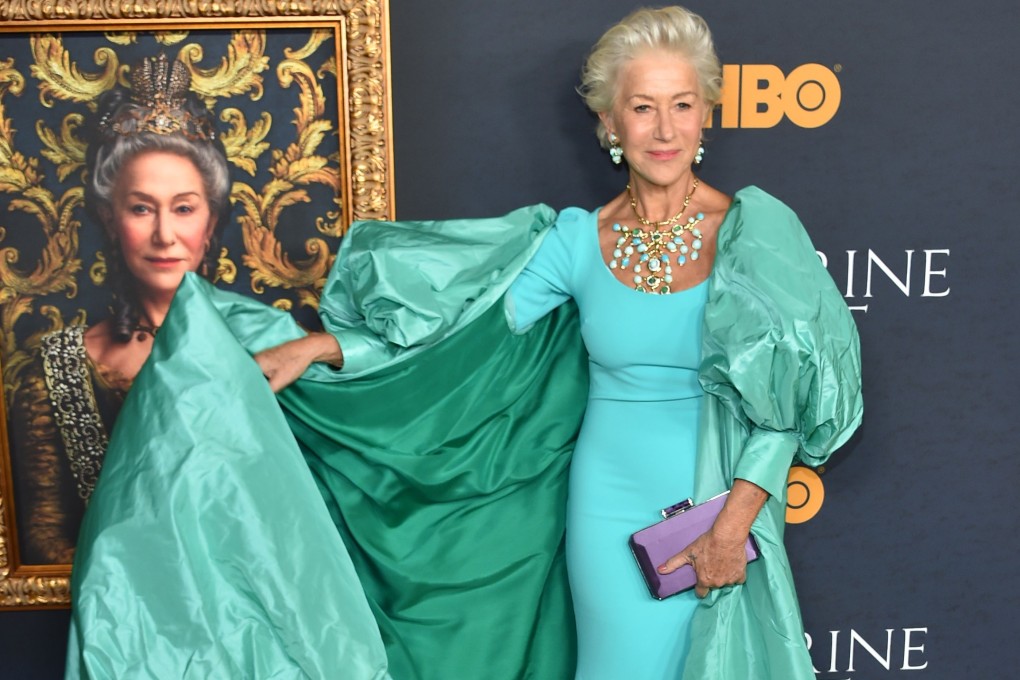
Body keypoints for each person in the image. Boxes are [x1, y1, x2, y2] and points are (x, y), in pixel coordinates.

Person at [68, 7, 861, 680]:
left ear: (706, 115)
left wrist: (734, 525)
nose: (665, 129)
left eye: (682, 105)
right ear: (609, 124)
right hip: (607, 511)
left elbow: (792, 405)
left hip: (720, 502)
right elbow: (458, 332)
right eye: (644, 108)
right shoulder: (577, 242)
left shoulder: (755, 233)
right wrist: (321, 351)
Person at [8, 53, 232, 564]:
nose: (164, 234)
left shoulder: (263, 348)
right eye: (140, 208)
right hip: (113, 624)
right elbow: (42, 543)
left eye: (183, 208)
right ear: (111, 221)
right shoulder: (57, 372)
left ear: (211, 223)